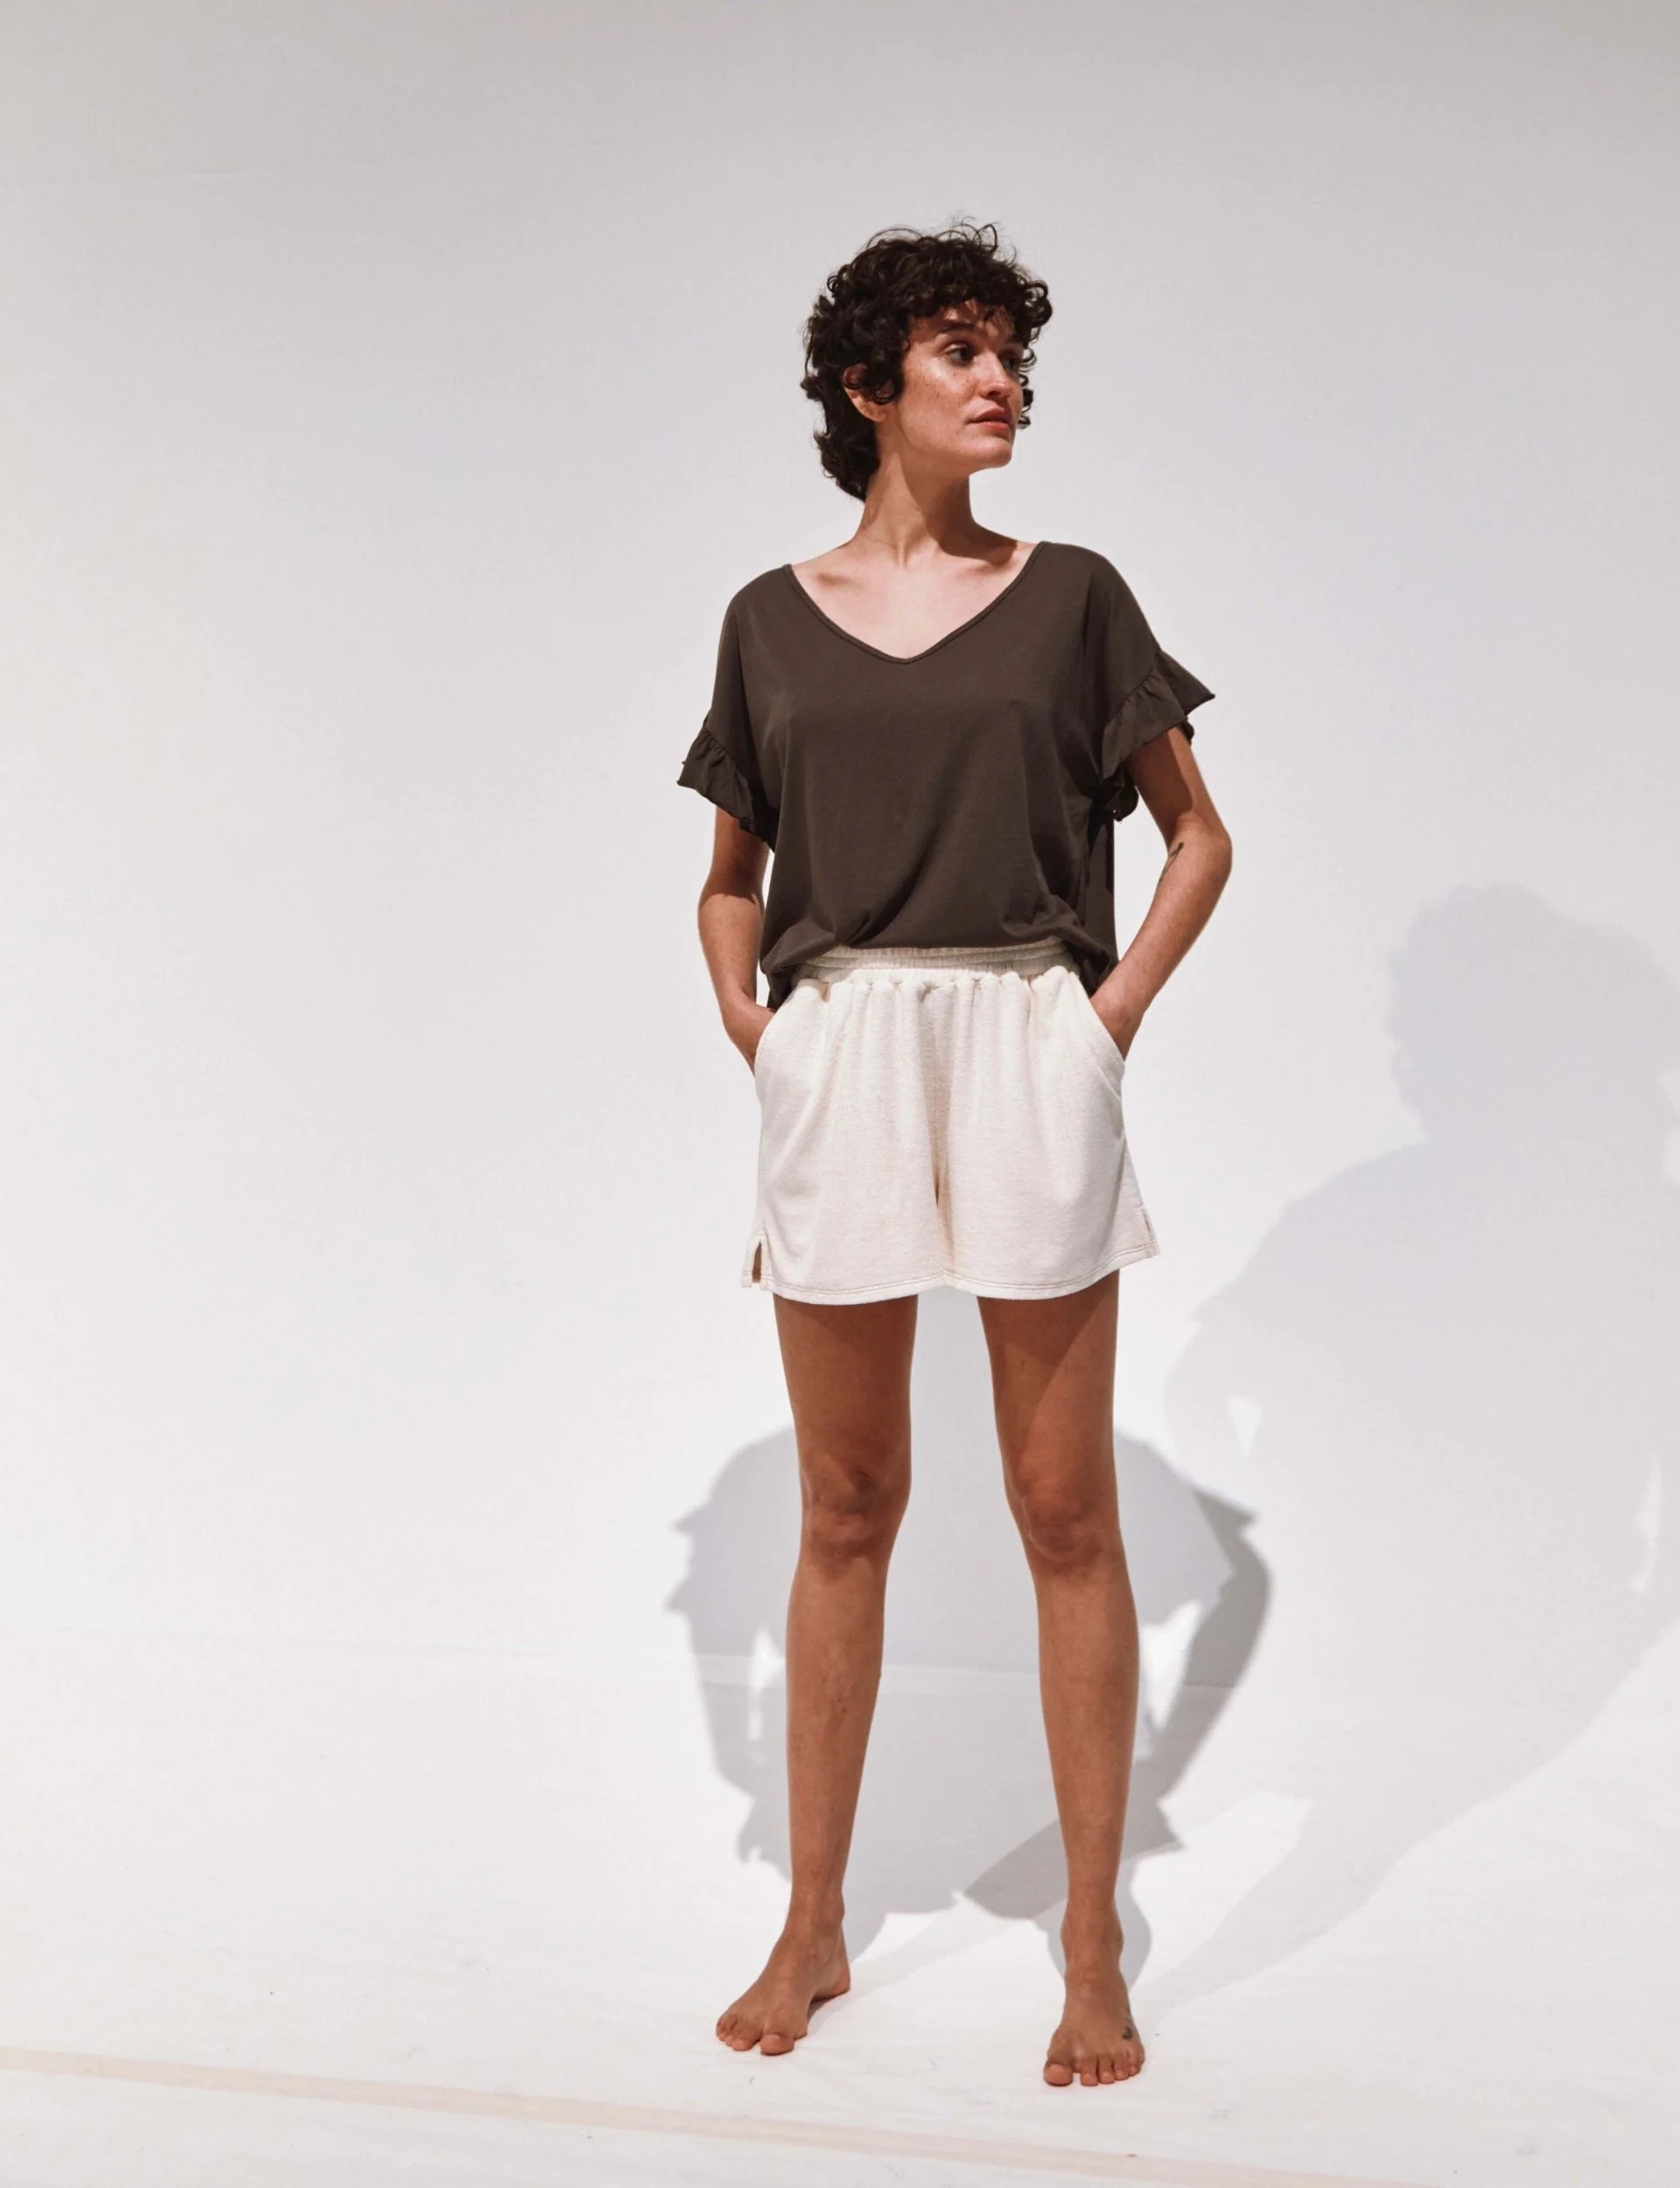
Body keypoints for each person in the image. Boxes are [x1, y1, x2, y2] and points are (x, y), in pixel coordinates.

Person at [676, 221, 1233, 2089]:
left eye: (1013, 359)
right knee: (846, 1505)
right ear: (868, 388)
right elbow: (731, 874)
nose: (1002, 385)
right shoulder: (767, 618)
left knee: (1064, 1511)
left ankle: (1090, 1941)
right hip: (840, 1047)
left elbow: (1199, 837)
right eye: (963, 355)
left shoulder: (1073, 598)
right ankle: (812, 1919)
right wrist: (758, 1024)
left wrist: (1101, 1020)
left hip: (1025, 1033)